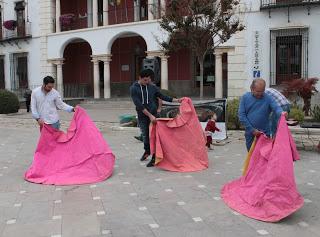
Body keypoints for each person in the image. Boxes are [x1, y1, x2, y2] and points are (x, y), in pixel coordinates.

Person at [130, 69, 182, 167]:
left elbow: (163, 96)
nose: (148, 82)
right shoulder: (134, 88)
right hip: (143, 116)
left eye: (149, 80)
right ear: (140, 78)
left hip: (155, 115)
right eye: (145, 80)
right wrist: (150, 116)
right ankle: (147, 151)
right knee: (145, 136)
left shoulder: (152, 87)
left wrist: (177, 100)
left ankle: (154, 157)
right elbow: (139, 105)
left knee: (154, 136)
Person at [238, 78, 285, 151]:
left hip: (265, 133)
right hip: (250, 133)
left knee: (264, 155)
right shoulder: (245, 97)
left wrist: (282, 113)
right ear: (251, 88)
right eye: (258, 91)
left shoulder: (268, 98)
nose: (260, 94)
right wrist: (252, 130)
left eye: (262, 91)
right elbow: (241, 116)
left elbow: (276, 107)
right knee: (252, 155)